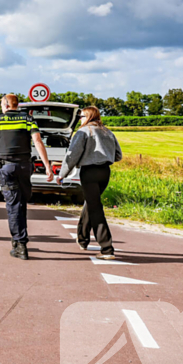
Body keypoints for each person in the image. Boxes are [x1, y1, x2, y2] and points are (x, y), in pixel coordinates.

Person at [0, 94, 54, 260]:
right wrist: (47, 166)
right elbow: (37, 141)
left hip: (7, 167)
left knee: (13, 203)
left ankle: (20, 243)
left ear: (6, 105)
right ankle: (18, 240)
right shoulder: (28, 119)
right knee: (21, 202)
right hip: (25, 166)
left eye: (2, 104)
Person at [55, 106, 122, 259]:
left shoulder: (83, 132)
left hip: (89, 172)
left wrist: (62, 174)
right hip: (105, 172)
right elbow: (118, 155)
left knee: (95, 208)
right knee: (91, 203)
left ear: (89, 117)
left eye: (82, 116)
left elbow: (72, 156)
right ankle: (83, 239)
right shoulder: (108, 132)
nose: (80, 119)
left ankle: (107, 249)